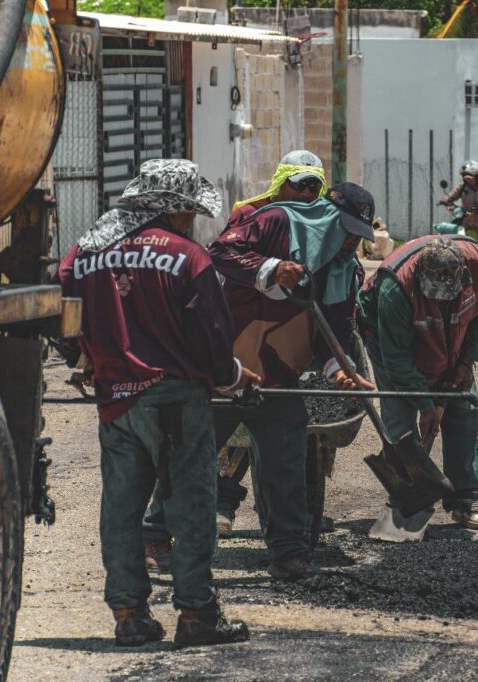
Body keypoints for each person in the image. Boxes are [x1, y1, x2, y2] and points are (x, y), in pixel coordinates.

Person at [58, 159, 256, 647]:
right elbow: (210, 337)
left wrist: (83, 356)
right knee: (192, 506)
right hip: (175, 400)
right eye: (189, 210)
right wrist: (232, 377)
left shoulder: (85, 251)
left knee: (121, 509)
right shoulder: (188, 257)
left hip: (116, 401)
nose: (191, 220)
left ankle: (129, 615)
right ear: (171, 209)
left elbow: (56, 312)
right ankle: (196, 615)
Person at [143, 182, 376, 581]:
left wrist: (339, 369)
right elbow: (220, 253)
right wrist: (270, 268)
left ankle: (288, 552)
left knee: (286, 463)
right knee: (190, 454)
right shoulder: (276, 222)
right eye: (347, 231)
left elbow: (333, 333)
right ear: (326, 219)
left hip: (277, 375)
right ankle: (155, 538)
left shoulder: (342, 270)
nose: (352, 242)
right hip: (222, 368)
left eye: (359, 235)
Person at [213, 149, 327, 539]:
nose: (307, 195)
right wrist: (271, 268)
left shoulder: (319, 220)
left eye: (314, 187)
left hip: (284, 349)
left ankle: (290, 542)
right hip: (238, 342)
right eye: (299, 186)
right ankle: (169, 528)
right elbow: (223, 254)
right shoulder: (255, 217)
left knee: (284, 445)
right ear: (281, 184)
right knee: (204, 438)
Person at [358, 236, 478, 530]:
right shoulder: (394, 289)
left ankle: (466, 497)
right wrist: (426, 406)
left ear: (463, 274)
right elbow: (397, 360)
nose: (439, 301)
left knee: (464, 408)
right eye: (434, 296)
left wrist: (465, 362)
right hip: (391, 338)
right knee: (400, 416)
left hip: (453, 334)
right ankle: (408, 497)